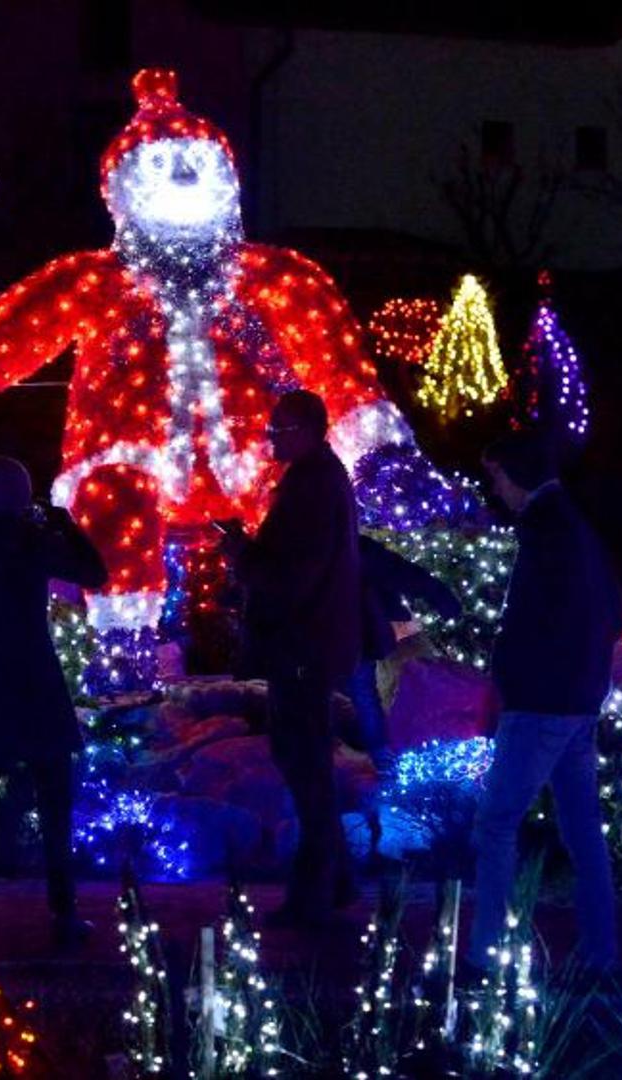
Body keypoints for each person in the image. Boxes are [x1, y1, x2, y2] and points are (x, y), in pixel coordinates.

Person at [0, 456, 108, 947]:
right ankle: (63, 912)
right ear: (24, 495)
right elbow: (95, 572)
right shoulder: (35, 540)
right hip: (35, 677)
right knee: (54, 802)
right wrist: (66, 527)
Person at [466, 432, 622, 974]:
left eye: (495, 476)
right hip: (579, 697)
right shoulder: (576, 524)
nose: (494, 489)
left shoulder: (544, 529)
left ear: (515, 473)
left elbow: (528, 619)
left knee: (496, 823)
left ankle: (487, 955)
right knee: (582, 828)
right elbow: (612, 612)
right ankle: (601, 952)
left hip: (542, 702)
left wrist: (509, 676)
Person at [221, 389, 362, 928]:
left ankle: (314, 891)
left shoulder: (311, 486)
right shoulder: (320, 479)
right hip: (313, 641)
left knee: (304, 764)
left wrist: (243, 555)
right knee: (306, 761)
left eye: (278, 430)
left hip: (302, 644)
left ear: (306, 430)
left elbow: (292, 574)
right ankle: (336, 879)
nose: (270, 439)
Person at [349, 535, 463, 765]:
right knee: (363, 697)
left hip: (339, 637)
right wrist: (437, 593)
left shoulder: (345, 544)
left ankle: (379, 760)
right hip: (345, 636)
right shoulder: (349, 543)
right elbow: (393, 569)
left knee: (361, 696)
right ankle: (381, 761)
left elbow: (393, 569)